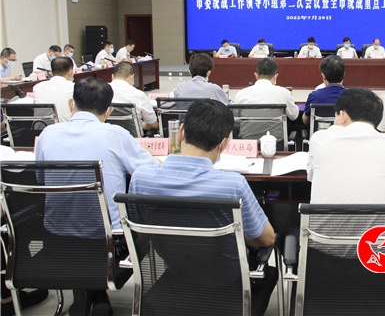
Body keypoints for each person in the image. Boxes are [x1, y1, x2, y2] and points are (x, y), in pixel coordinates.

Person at [129, 99, 276, 315]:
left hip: (177, 273)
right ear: (224, 144)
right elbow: (267, 239)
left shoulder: (142, 178)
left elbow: (142, 233)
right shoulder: (232, 185)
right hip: (228, 283)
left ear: (181, 132)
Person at [35, 77, 158, 316]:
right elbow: (149, 173)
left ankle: (89, 294)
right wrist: (143, 152)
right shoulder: (116, 135)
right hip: (110, 245)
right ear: (109, 110)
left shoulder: (48, 134)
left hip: (58, 240)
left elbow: (41, 179)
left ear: (71, 104)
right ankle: (97, 294)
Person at [309, 88, 385, 203]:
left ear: (343, 115)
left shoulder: (320, 139)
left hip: (324, 216)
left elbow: (311, 175)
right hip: (381, 216)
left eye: (336, 116)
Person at [233, 58, 299, 143]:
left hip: (247, 144)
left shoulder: (241, 94)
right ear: (275, 76)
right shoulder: (284, 93)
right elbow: (294, 116)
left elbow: (235, 120)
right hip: (276, 144)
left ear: (256, 75)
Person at [109, 61, 159, 131]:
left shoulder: (100, 92)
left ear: (112, 76)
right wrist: (142, 124)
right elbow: (153, 125)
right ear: (132, 77)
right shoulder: (139, 94)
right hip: (132, 136)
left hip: (107, 135)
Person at [302, 55, 346, 124]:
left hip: (321, 130)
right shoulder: (352, 97)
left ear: (323, 76)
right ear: (344, 74)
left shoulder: (314, 96)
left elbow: (305, 120)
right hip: (343, 131)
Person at [32, 56, 74, 123]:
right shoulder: (74, 87)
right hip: (66, 127)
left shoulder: (37, 87)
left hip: (42, 128)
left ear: (51, 72)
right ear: (71, 72)